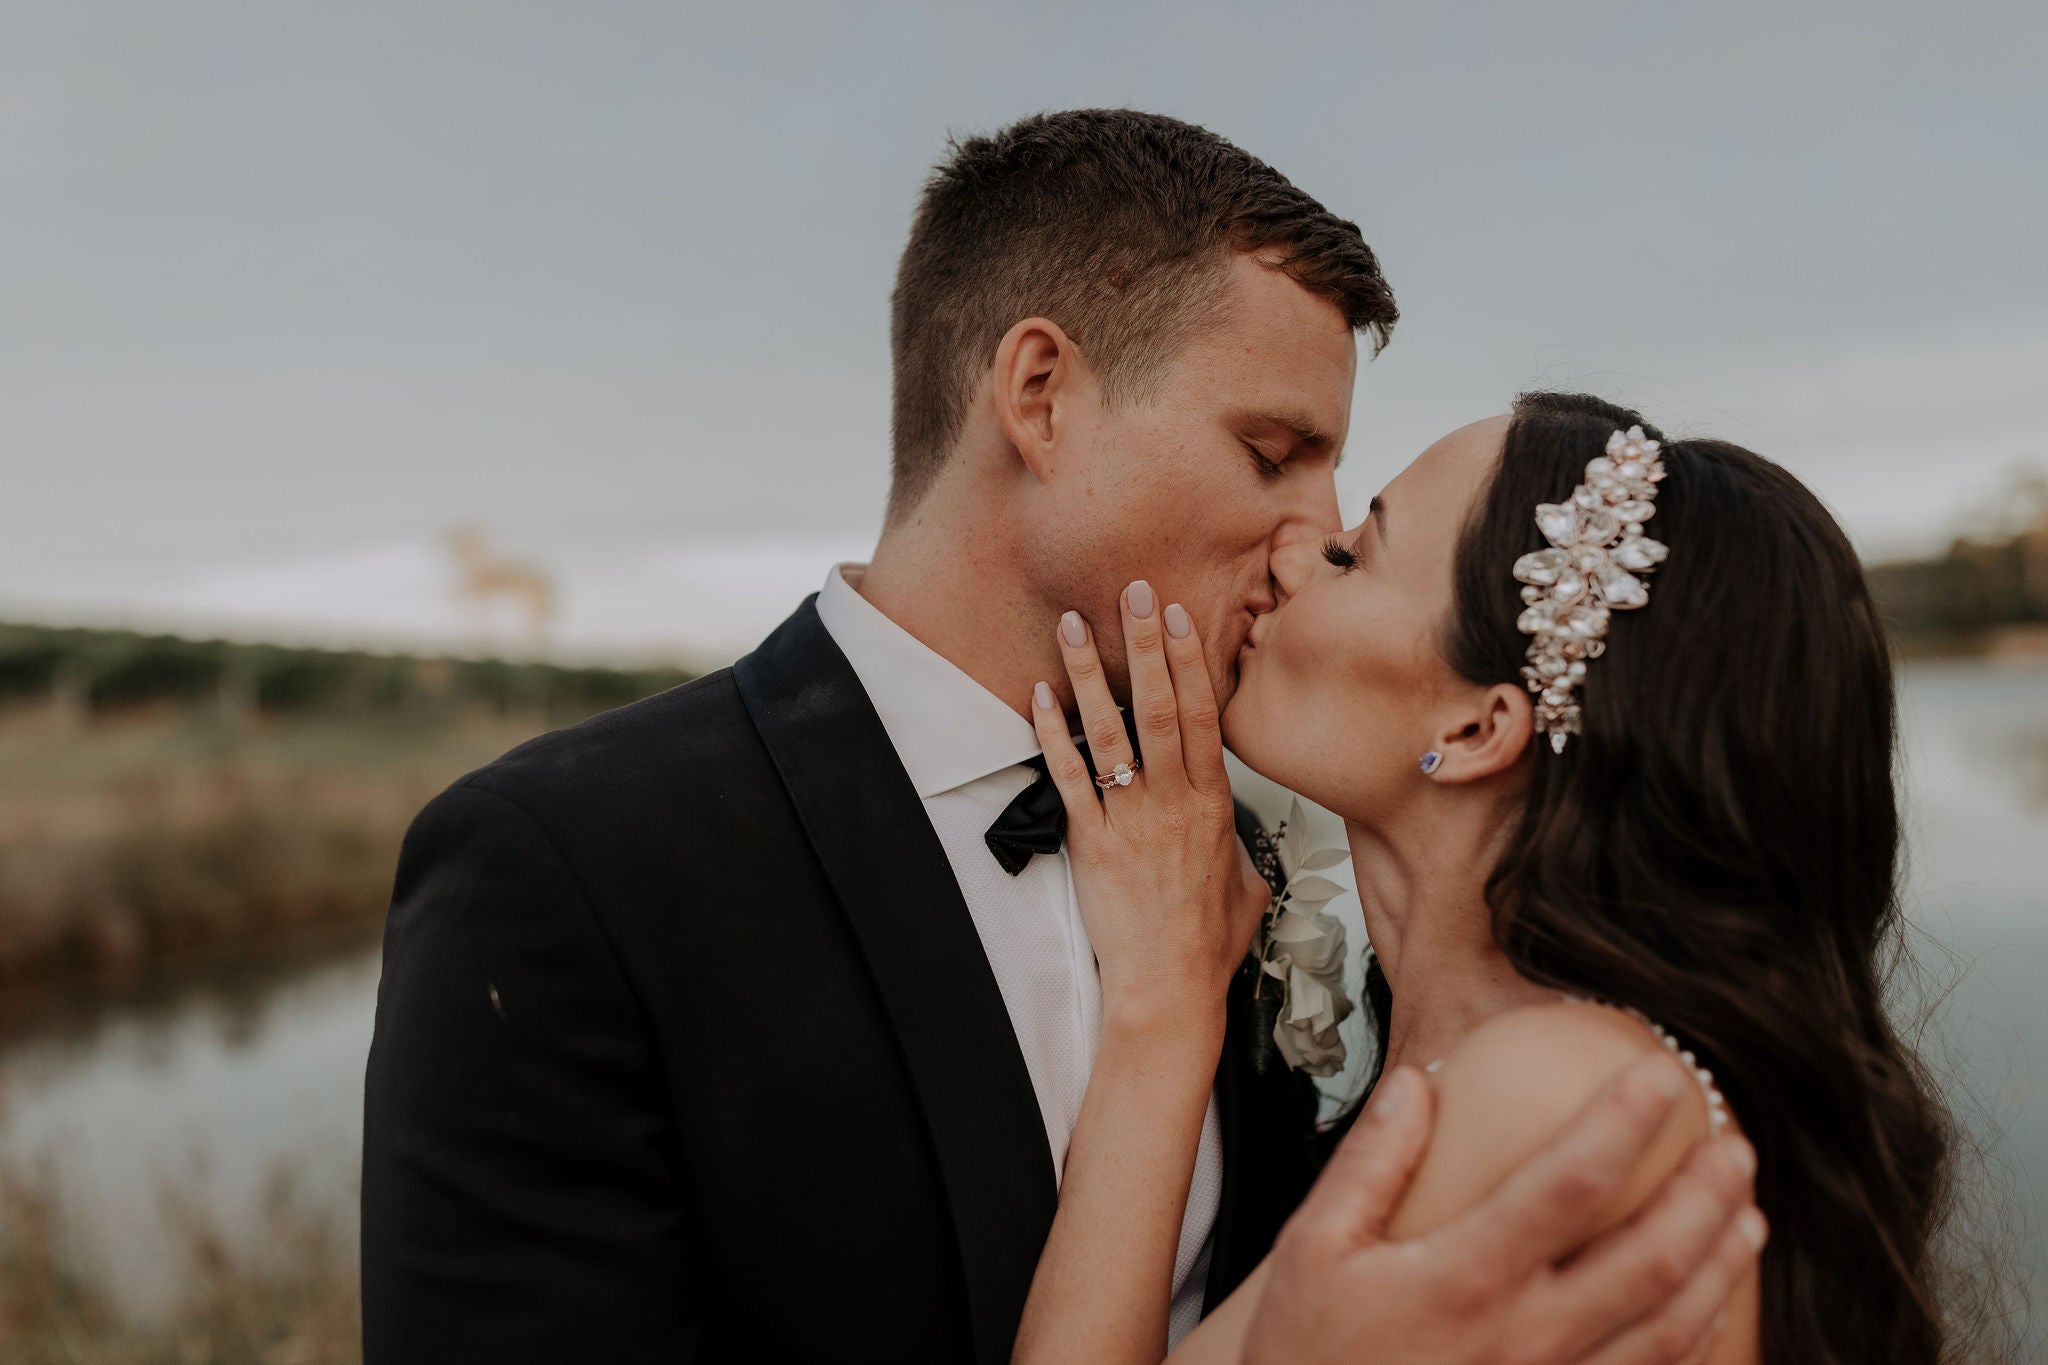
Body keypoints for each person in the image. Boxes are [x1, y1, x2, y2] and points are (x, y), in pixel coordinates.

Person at [360, 111, 1756, 1362]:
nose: (1316, 537)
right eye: (1273, 455)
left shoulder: (1271, 850)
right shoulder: (571, 873)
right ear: (1040, 398)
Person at [1010, 393, 1965, 1365]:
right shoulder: (1496, 1067)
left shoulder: (1553, 1096)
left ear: (1473, 731)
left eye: (1350, 556)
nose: (1292, 556)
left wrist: (1159, 1014)